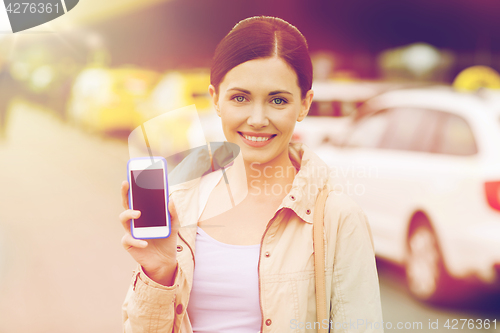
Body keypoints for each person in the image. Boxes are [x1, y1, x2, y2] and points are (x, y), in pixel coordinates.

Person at [120, 16, 384, 333]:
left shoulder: (338, 218)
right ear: (215, 99)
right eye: (240, 98)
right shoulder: (180, 204)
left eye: (278, 100)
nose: (257, 119)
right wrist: (159, 274)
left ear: (304, 105)